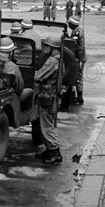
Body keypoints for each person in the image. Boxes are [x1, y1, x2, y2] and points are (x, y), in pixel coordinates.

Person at [34, 34, 63, 165]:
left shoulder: (52, 61)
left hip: (47, 96)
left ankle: (55, 152)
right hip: (52, 95)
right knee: (47, 123)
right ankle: (49, 150)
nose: (45, 49)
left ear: (53, 48)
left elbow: (38, 76)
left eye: (47, 47)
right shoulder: (59, 59)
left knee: (47, 126)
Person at [68, 15, 86, 104]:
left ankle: (79, 97)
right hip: (78, 57)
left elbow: (78, 47)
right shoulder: (76, 31)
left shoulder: (78, 32)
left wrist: (77, 59)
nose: (68, 24)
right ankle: (75, 96)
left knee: (78, 76)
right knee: (75, 76)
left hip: (79, 57)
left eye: (69, 23)